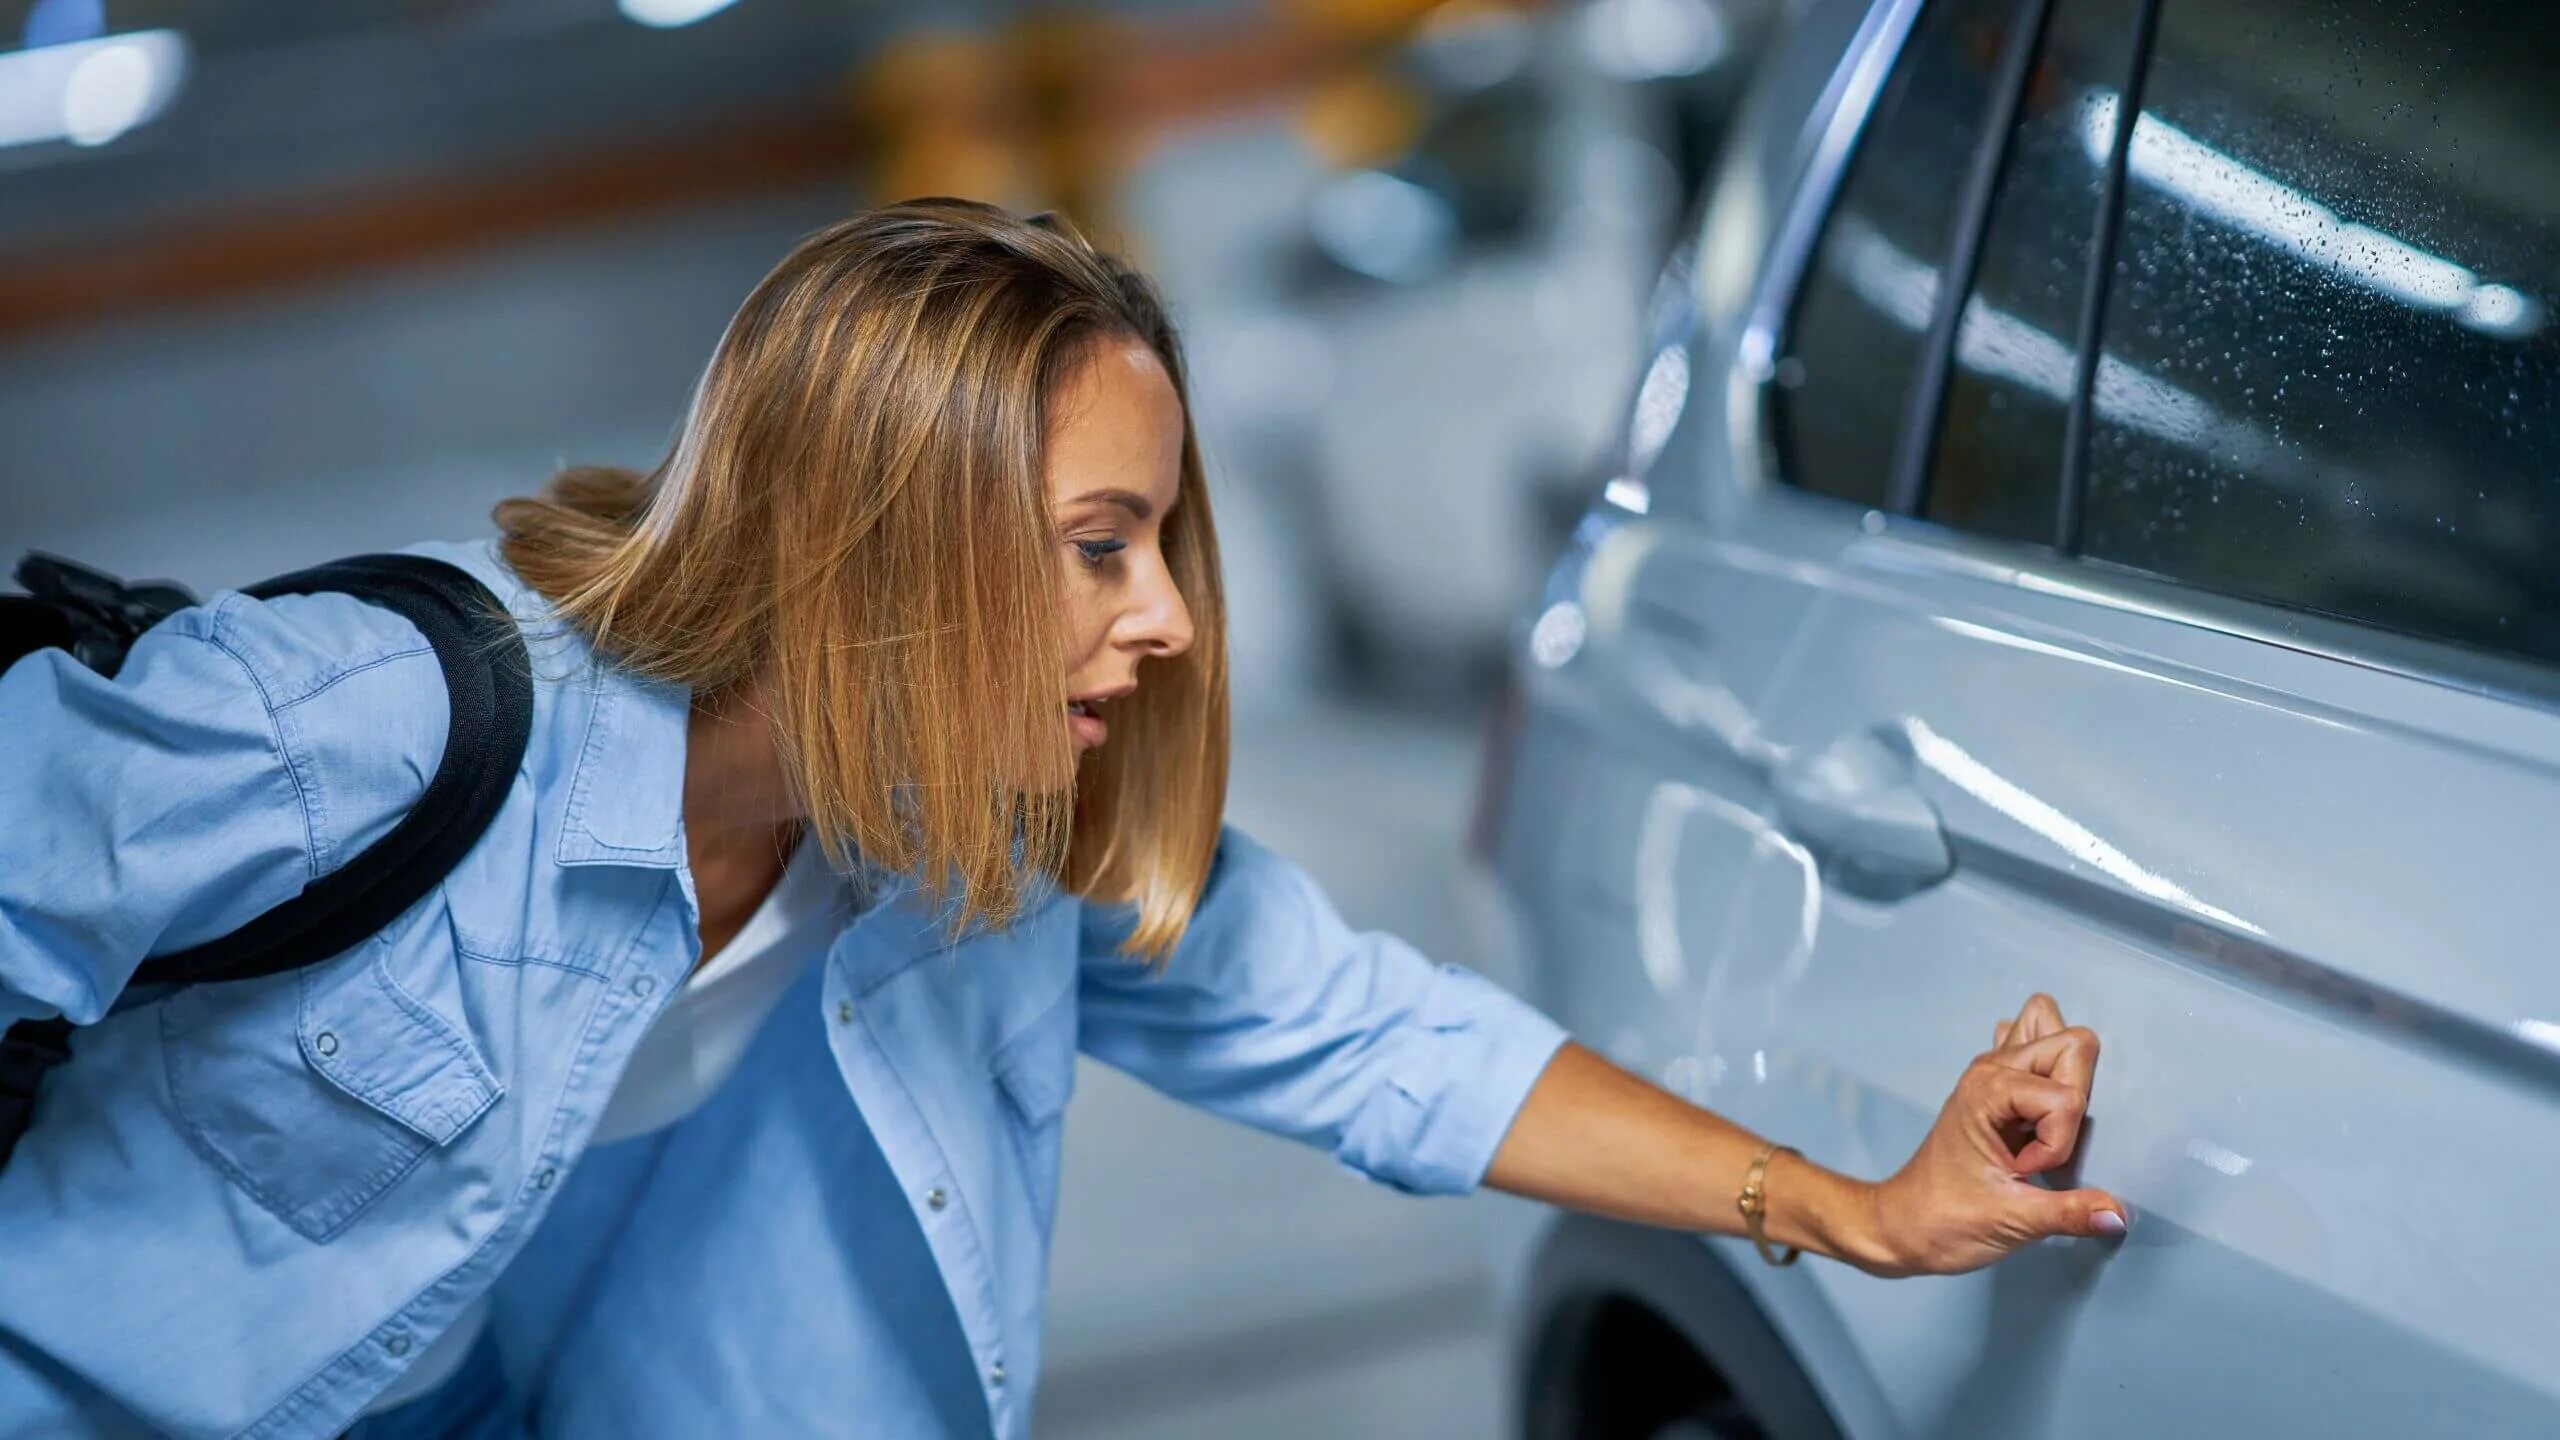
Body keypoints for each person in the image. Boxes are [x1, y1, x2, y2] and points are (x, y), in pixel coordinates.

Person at [0, 200, 2124, 1440]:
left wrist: (1855, 1208)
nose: (1171, 616)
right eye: (1098, 543)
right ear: (869, 538)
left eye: (1161, 539)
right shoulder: (368, 725)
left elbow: (1381, 1037)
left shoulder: (974, 851)